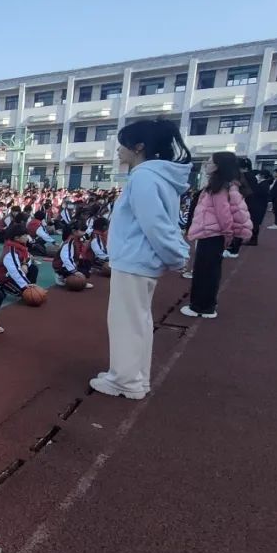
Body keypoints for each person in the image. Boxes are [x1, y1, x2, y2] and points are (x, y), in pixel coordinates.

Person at [91, 118, 191, 401]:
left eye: (122, 144)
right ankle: (135, 377)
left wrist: (176, 256)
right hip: (139, 260)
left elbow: (156, 224)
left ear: (139, 147)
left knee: (127, 323)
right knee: (139, 322)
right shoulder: (156, 175)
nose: (118, 150)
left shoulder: (145, 177)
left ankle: (124, 381)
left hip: (134, 260)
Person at [181, 151, 252, 319]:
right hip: (213, 234)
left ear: (218, 166)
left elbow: (224, 215)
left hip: (212, 235)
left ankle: (202, 306)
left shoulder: (219, 187)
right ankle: (205, 305)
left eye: (210, 161)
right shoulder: (224, 185)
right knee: (209, 271)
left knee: (204, 271)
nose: (206, 163)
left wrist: (227, 235)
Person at [0, 223, 39, 297]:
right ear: (16, 238)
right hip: (4, 277)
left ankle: (30, 288)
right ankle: (0, 286)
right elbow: (15, 271)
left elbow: (27, 257)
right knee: (20, 293)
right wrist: (26, 285)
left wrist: (25, 264)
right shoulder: (10, 251)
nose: (27, 237)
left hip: (13, 272)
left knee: (33, 268)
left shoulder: (21, 246)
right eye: (25, 235)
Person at [244, 169, 271, 246]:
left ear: (262, 175)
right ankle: (252, 239)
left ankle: (253, 240)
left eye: (259, 175)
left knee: (255, 224)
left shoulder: (264, 184)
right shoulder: (263, 183)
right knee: (254, 223)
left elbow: (259, 194)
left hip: (258, 206)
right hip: (259, 206)